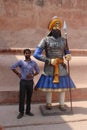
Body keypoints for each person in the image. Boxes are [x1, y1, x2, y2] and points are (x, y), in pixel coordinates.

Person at [33, 16, 76, 111]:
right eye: (55, 25)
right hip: (49, 66)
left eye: (58, 25)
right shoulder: (45, 40)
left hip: (61, 66)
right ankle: (48, 103)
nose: (57, 27)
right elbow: (36, 54)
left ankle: (62, 104)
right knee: (49, 86)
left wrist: (68, 55)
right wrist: (48, 60)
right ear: (51, 27)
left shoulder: (64, 40)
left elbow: (67, 52)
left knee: (63, 86)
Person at [11, 48, 40, 119]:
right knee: (22, 97)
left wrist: (32, 75)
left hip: (30, 82)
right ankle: (21, 112)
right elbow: (12, 67)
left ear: (30, 54)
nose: (27, 54)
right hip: (23, 82)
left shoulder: (33, 63)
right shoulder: (21, 62)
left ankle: (28, 111)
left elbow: (38, 71)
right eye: (26, 53)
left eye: (28, 53)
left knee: (29, 97)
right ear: (24, 54)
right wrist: (18, 74)